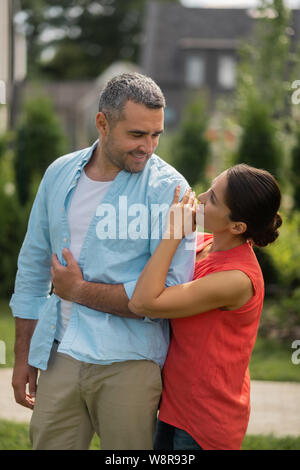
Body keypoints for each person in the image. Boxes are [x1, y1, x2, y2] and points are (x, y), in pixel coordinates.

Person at [9, 72, 196, 450]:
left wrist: (78, 290)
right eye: (137, 135)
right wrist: (24, 354)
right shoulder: (58, 173)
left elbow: (170, 296)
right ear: (102, 123)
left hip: (130, 363)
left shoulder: (173, 191)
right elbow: (31, 268)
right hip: (59, 354)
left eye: (156, 134)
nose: (149, 147)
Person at [126, 164, 282, 450]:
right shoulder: (201, 245)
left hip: (206, 420)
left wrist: (174, 233)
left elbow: (143, 302)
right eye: (209, 187)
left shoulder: (236, 278)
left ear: (237, 227)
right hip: (175, 404)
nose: (200, 196)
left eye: (213, 199)